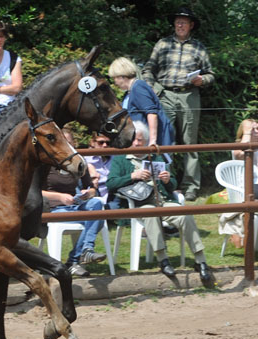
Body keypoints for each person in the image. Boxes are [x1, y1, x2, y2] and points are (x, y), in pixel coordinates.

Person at [106, 121, 214, 282]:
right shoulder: (121, 159)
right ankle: (163, 259)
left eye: (140, 140)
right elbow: (111, 184)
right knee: (151, 214)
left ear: (146, 141)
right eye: (133, 139)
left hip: (163, 200)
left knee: (186, 216)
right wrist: (132, 176)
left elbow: (173, 186)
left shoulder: (155, 155)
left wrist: (167, 180)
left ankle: (201, 261)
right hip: (140, 203)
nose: (136, 143)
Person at [142, 6, 215, 202]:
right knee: (166, 141)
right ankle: (168, 184)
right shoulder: (162, 44)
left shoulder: (199, 47)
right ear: (174, 24)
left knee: (190, 143)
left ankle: (191, 187)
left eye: (184, 21)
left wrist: (202, 81)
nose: (180, 24)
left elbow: (210, 74)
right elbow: (148, 68)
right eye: (178, 21)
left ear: (191, 25)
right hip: (165, 95)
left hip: (190, 96)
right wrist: (155, 89)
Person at [42, 128, 107, 277]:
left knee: (96, 204)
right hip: (54, 207)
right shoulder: (44, 164)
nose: (67, 149)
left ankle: (85, 251)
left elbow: (92, 189)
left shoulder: (77, 162)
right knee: (97, 219)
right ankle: (75, 260)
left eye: (70, 144)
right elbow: (34, 192)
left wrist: (88, 194)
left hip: (76, 204)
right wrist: (59, 197)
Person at [109, 57, 174, 147]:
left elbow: (152, 113)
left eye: (114, 78)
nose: (114, 83)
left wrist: (152, 142)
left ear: (122, 76)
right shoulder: (129, 92)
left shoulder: (138, 88)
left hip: (152, 142)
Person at [219, 118, 258, 248]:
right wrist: (247, 135)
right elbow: (240, 155)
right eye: (253, 129)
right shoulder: (238, 147)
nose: (256, 132)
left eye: (257, 128)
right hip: (245, 189)